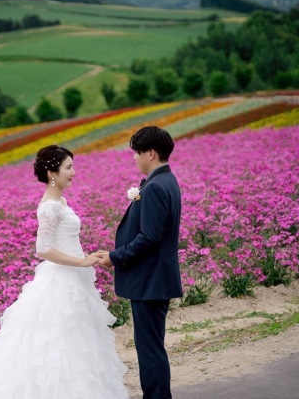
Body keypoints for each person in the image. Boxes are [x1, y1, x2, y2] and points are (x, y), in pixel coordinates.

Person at [0, 145, 128, 399]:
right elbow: (43, 249)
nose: (73, 173)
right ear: (52, 173)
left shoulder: (61, 201)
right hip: (61, 280)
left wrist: (86, 259)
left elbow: (63, 241)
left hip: (74, 278)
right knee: (58, 341)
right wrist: (81, 262)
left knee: (77, 341)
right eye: (68, 167)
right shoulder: (50, 206)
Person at [95, 126, 182, 399]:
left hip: (150, 280)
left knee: (149, 349)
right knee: (152, 346)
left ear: (151, 153)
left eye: (137, 152)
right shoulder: (167, 180)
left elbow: (149, 238)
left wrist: (114, 256)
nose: (134, 158)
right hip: (155, 279)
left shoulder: (155, 186)